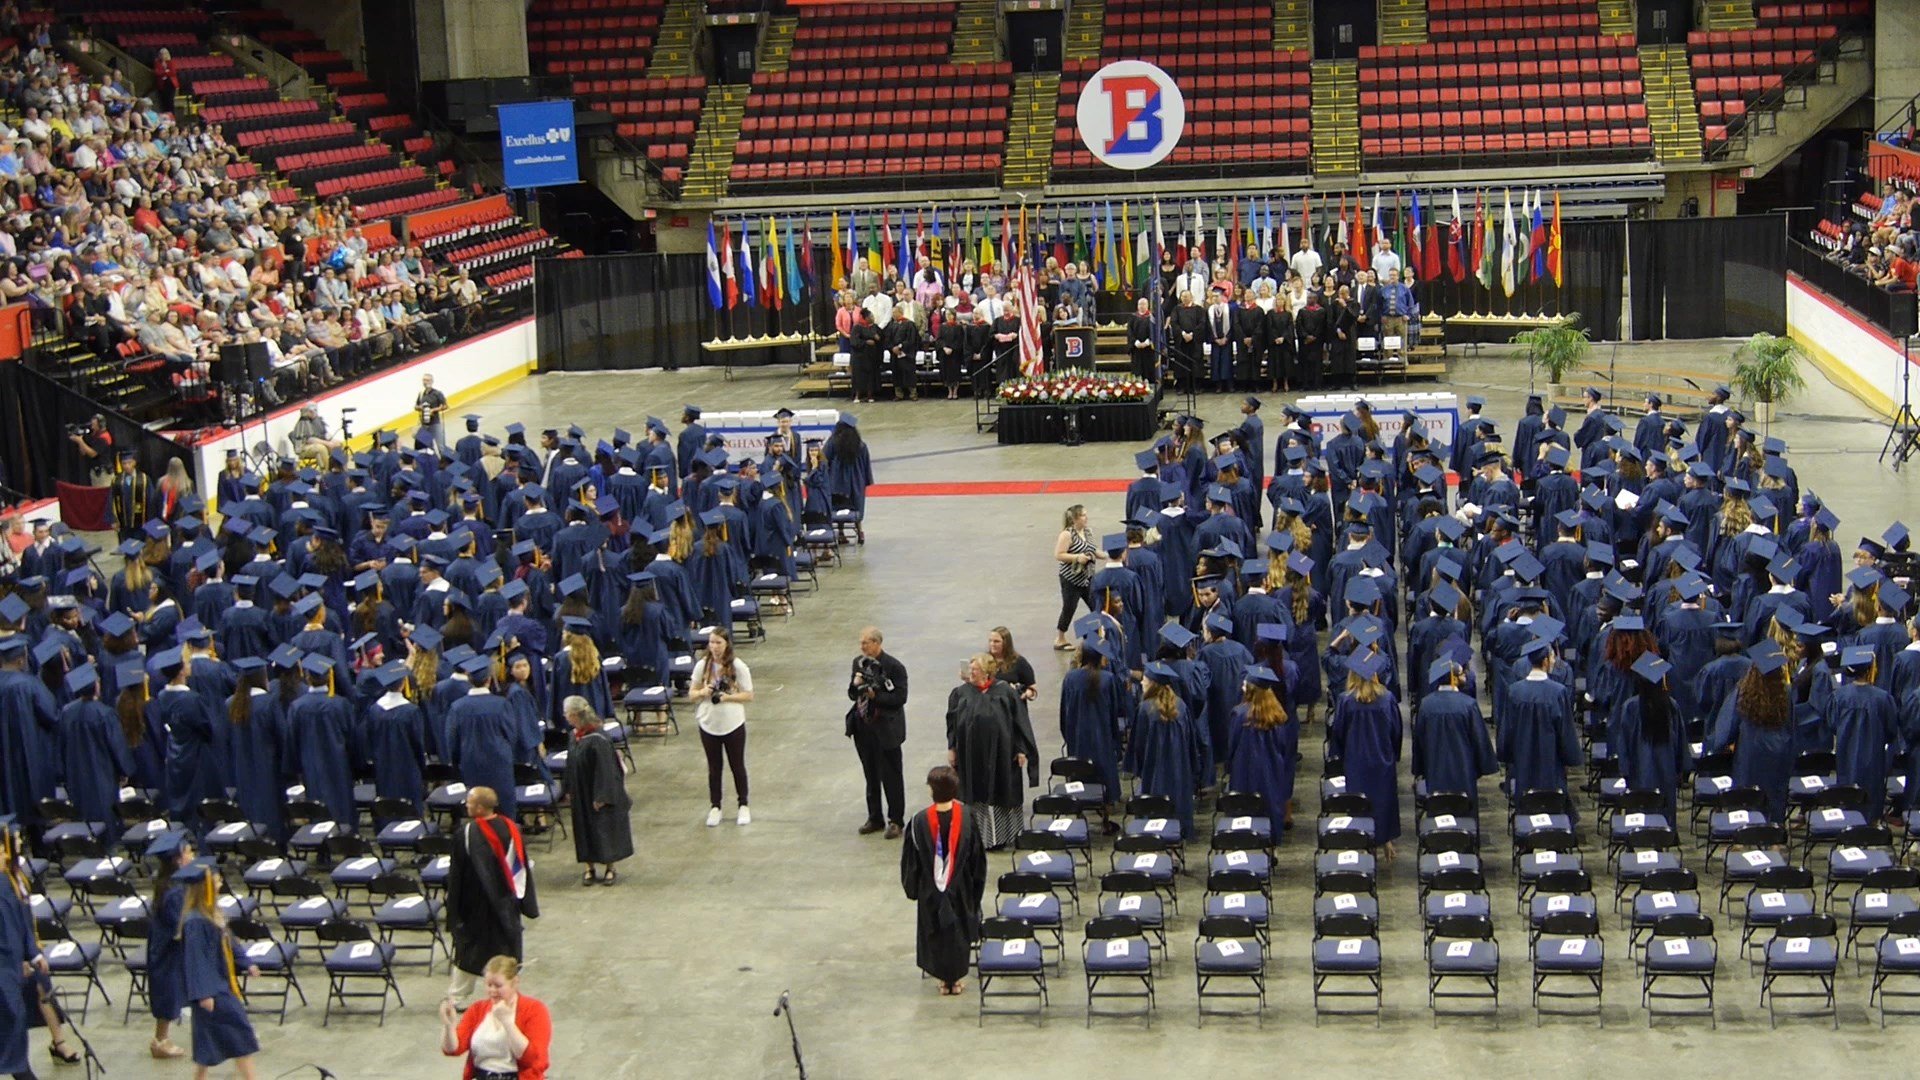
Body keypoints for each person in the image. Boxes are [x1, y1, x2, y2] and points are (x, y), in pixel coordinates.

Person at [445, 787, 540, 1007]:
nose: (466, 806)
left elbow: (456, 875)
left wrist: (454, 911)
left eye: (469, 803)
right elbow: (522, 868)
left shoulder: (466, 834)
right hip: (506, 904)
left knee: (468, 952)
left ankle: (458, 997)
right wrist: (525, 904)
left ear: (479, 807)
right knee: (505, 953)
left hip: (474, 905)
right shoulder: (512, 829)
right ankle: (508, 995)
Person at [898, 765, 986, 997]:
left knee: (935, 931)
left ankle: (942, 980)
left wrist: (913, 888)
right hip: (961, 887)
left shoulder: (918, 822)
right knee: (957, 931)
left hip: (931, 889)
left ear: (932, 791)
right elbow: (977, 859)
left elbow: (911, 861)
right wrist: (976, 888)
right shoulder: (967, 817)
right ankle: (955, 980)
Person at [173, 863, 261, 1080]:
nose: (221, 882)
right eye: (217, 880)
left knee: (208, 1046)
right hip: (213, 990)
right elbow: (196, 960)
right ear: (206, 887)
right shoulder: (195, 922)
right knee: (240, 1038)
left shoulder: (211, 913)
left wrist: (246, 962)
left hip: (221, 984)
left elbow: (229, 941)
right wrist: (204, 993)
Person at [944, 654, 1037, 850]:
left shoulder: (1004, 692)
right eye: (970, 669)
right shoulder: (960, 693)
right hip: (971, 755)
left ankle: (1004, 837)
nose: (971, 672)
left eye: (975, 669)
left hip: (1002, 754)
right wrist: (952, 748)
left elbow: (1019, 721)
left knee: (1001, 791)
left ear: (986, 671)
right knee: (975, 795)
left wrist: (1021, 750)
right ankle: (978, 838)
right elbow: (952, 723)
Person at [1325, 650, 1404, 854]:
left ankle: (1362, 841)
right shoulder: (1387, 698)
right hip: (1382, 759)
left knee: (1358, 802)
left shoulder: (1346, 700)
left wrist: (1339, 756)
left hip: (1355, 760)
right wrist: (1393, 754)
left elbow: (1338, 732)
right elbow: (1396, 731)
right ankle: (1385, 840)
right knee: (1383, 801)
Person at [439, 955, 552, 1080]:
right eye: (488, 985)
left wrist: (508, 1023)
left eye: (498, 986)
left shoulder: (535, 1010)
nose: (492, 990)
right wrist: (449, 1026)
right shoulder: (477, 1009)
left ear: (514, 983)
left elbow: (531, 1059)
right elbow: (453, 1050)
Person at [562, 694, 633, 886]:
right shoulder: (573, 736)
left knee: (603, 829)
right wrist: (568, 787)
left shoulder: (598, 738)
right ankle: (588, 867)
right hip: (580, 791)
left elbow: (606, 770)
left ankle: (610, 867)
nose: (565, 717)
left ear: (576, 715)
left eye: (567, 713)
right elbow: (570, 763)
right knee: (583, 829)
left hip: (596, 792)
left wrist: (602, 795)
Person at [847, 627, 909, 838]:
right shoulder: (859, 662)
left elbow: (900, 699)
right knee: (870, 774)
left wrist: (876, 696)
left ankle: (896, 820)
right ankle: (875, 817)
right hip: (863, 728)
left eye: (866, 642)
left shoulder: (894, 667)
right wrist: (856, 685)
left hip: (886, 729)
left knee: (891, 775)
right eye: (861, 643)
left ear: (877, 643)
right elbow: (851, 694)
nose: (862, 647)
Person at [690, 628, 754, 827]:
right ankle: (715, 806)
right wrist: (703, 692)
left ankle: (743, 804)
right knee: (714, 767)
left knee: (737, 765)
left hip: (732, 723)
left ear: (726, 644)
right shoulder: (702, 666)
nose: (715, 647)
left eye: (718, 642)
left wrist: (728, 697)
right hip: (709, 723)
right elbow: (692, 694)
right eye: (712, 642)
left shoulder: (738, 666)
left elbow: (749, 695)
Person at [1225, 664, 1301, 829]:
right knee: (1270, 806)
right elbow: (1282, 746)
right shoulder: (1278, 715)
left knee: (1245, 809)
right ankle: (1270, 843)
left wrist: (1229, 766)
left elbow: (1232, 746)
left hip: (1243, 770)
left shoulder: (1239, 715)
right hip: (1271, 769)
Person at [1053, 504, 1097, 649]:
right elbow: (1059, 555)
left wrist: (1109, 555)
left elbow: (1093, 550)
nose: (1087, 517)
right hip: (1071, 578)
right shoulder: (1067, 534)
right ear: (1075, 519)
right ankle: (1060, 638)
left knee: (1096, 604)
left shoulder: (1088, 532)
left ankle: (1096, 633)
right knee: (1069, 607)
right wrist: (1077, 557)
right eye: (1084, 515)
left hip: (1087, 576)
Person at [415, 373, 448, 452]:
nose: (425, 382)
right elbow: (416, 406)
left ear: (432, 381)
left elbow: (445, 406)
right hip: (424, 425)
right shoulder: (421, 394)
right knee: (428, 447)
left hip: (435, 423)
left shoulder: (437, 393)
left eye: (427, 380)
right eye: (424, 380)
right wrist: (420, 408)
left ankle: (444, 461)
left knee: (441, 446)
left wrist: (434, 410)